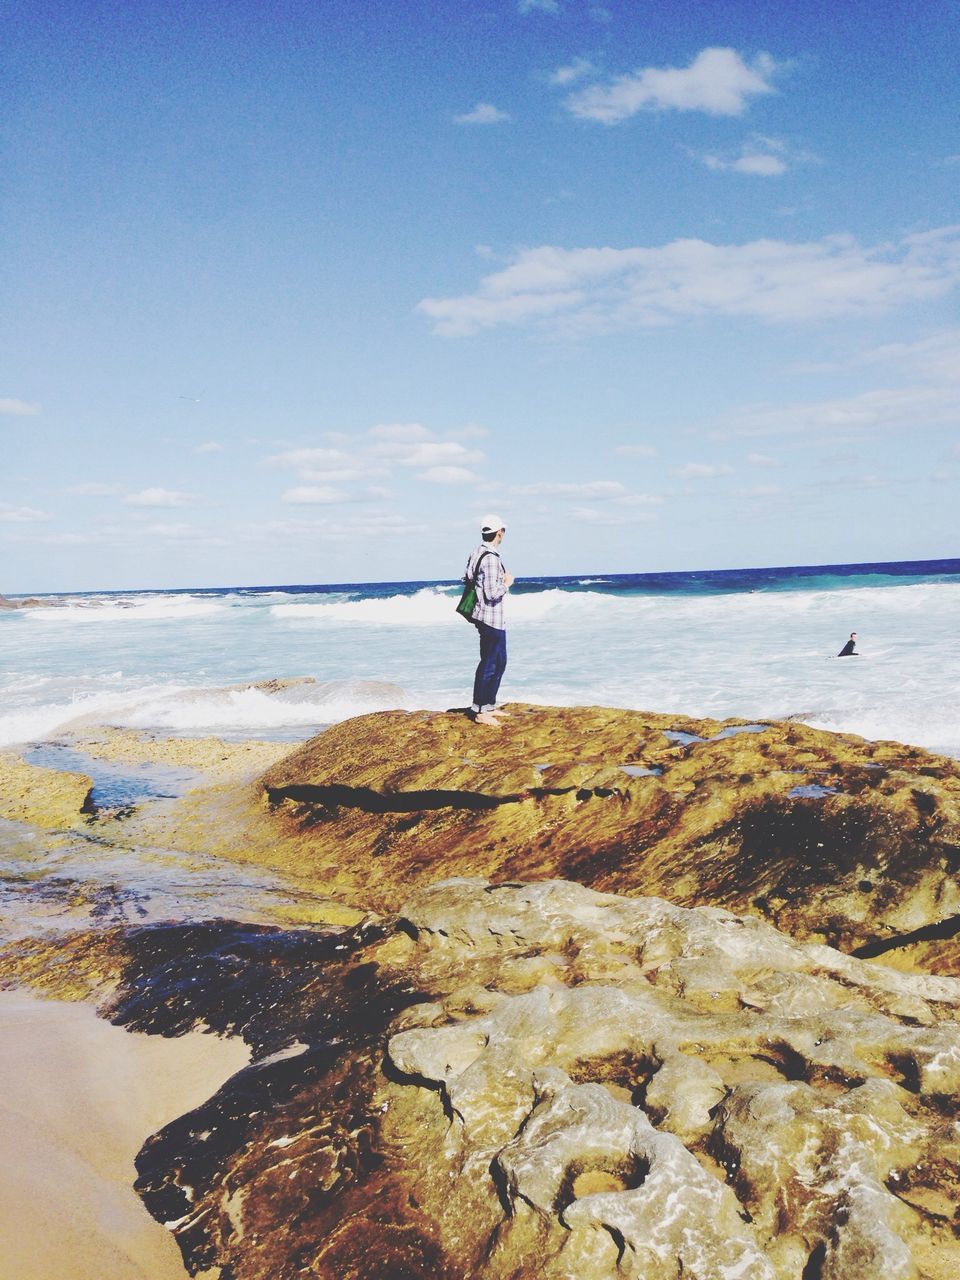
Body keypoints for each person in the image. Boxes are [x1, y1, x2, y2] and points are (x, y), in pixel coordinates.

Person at [464, 515, 514, 726]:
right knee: (490, 662)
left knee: (499, 661)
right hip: (491, 617)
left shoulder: (477, 552)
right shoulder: (492, 558)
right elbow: (493, 593)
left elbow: (466, 577)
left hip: (485, 616)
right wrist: (507, 583)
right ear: (499, 532)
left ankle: (489, 705)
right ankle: (480, 710)